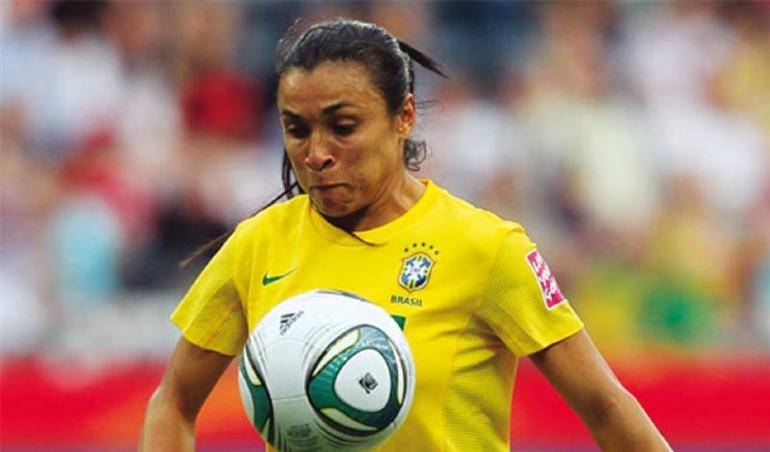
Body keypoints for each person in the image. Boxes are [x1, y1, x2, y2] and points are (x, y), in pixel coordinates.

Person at [140, 19, 671, 452]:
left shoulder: (487, 248)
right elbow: (174, 399)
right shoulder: (258, 244)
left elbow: (604, 407)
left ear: (405, 117)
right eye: (297, 129)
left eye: (343, 127)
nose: (316, 153)